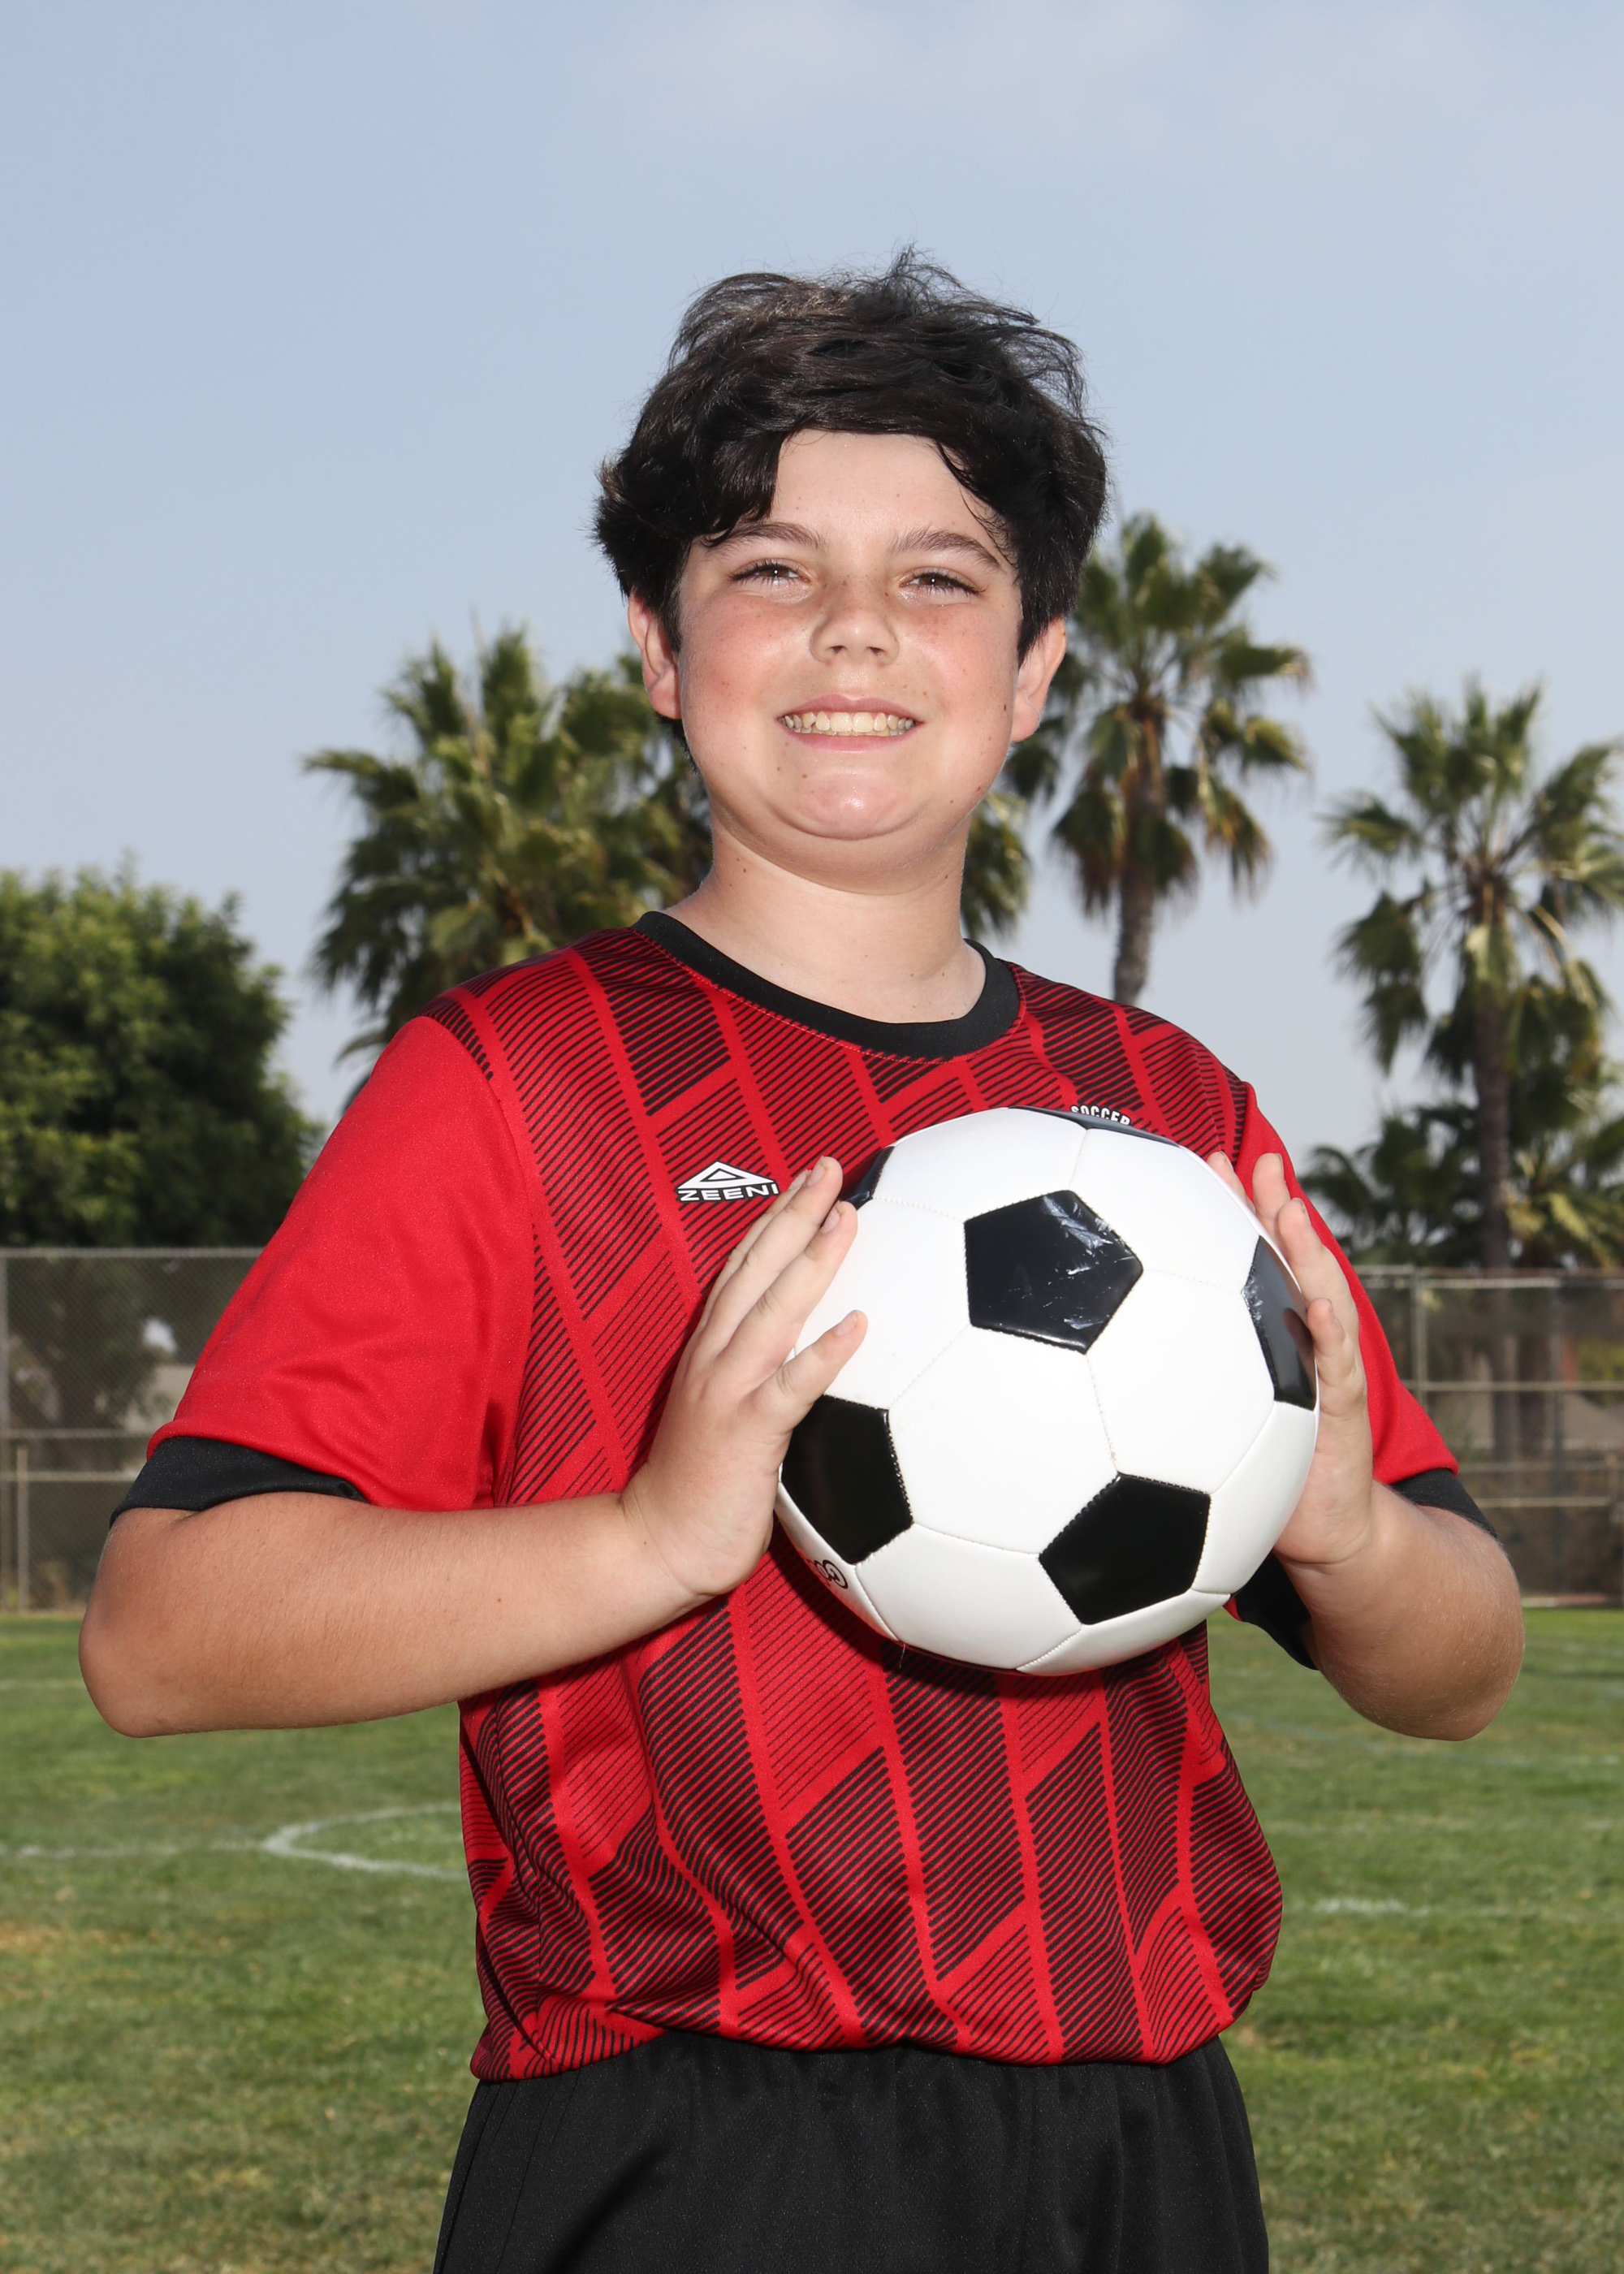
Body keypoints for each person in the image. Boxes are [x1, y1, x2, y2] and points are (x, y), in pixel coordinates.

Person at [80, 253, 1524, 2274]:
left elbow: (1460, 1664)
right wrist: (648, 1538)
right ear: (661, 651)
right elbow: (160, 1634)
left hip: (1139, 2146)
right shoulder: (511, 1081)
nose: (856, 626)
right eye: (771, 568)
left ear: (1034, 669)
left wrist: (1355, 1532)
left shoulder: (1169, 1112)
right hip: (690, 2146)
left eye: (939, 575)